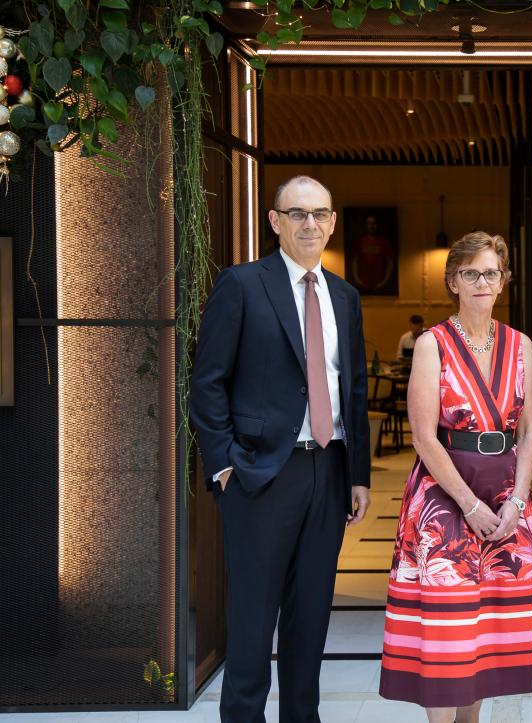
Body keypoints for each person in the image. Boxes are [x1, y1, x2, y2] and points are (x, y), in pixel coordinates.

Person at [190, 175, 371, 722]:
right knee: (252, 621)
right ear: (275, 221)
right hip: (259, 476)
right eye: (297, 213)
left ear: (333, 221)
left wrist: (357, 474)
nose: (309, 223)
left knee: (310, 618)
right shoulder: (242, 285)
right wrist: (223, 466)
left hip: (329, 470)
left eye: (319, 213)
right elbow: (207, 382)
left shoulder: (345, 295)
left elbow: (353, 388)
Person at [379, 231, 532, 723]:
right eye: (471, 273)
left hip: (507, 500)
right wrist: (469, 506)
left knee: (489, 634)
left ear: (503, 282)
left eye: (491, 273)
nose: (481, 281)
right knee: (447, 634)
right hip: (444, 497)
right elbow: (424, 436)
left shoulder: (522, 346)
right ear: (453, 281)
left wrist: (516, 502)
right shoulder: (433, 344)